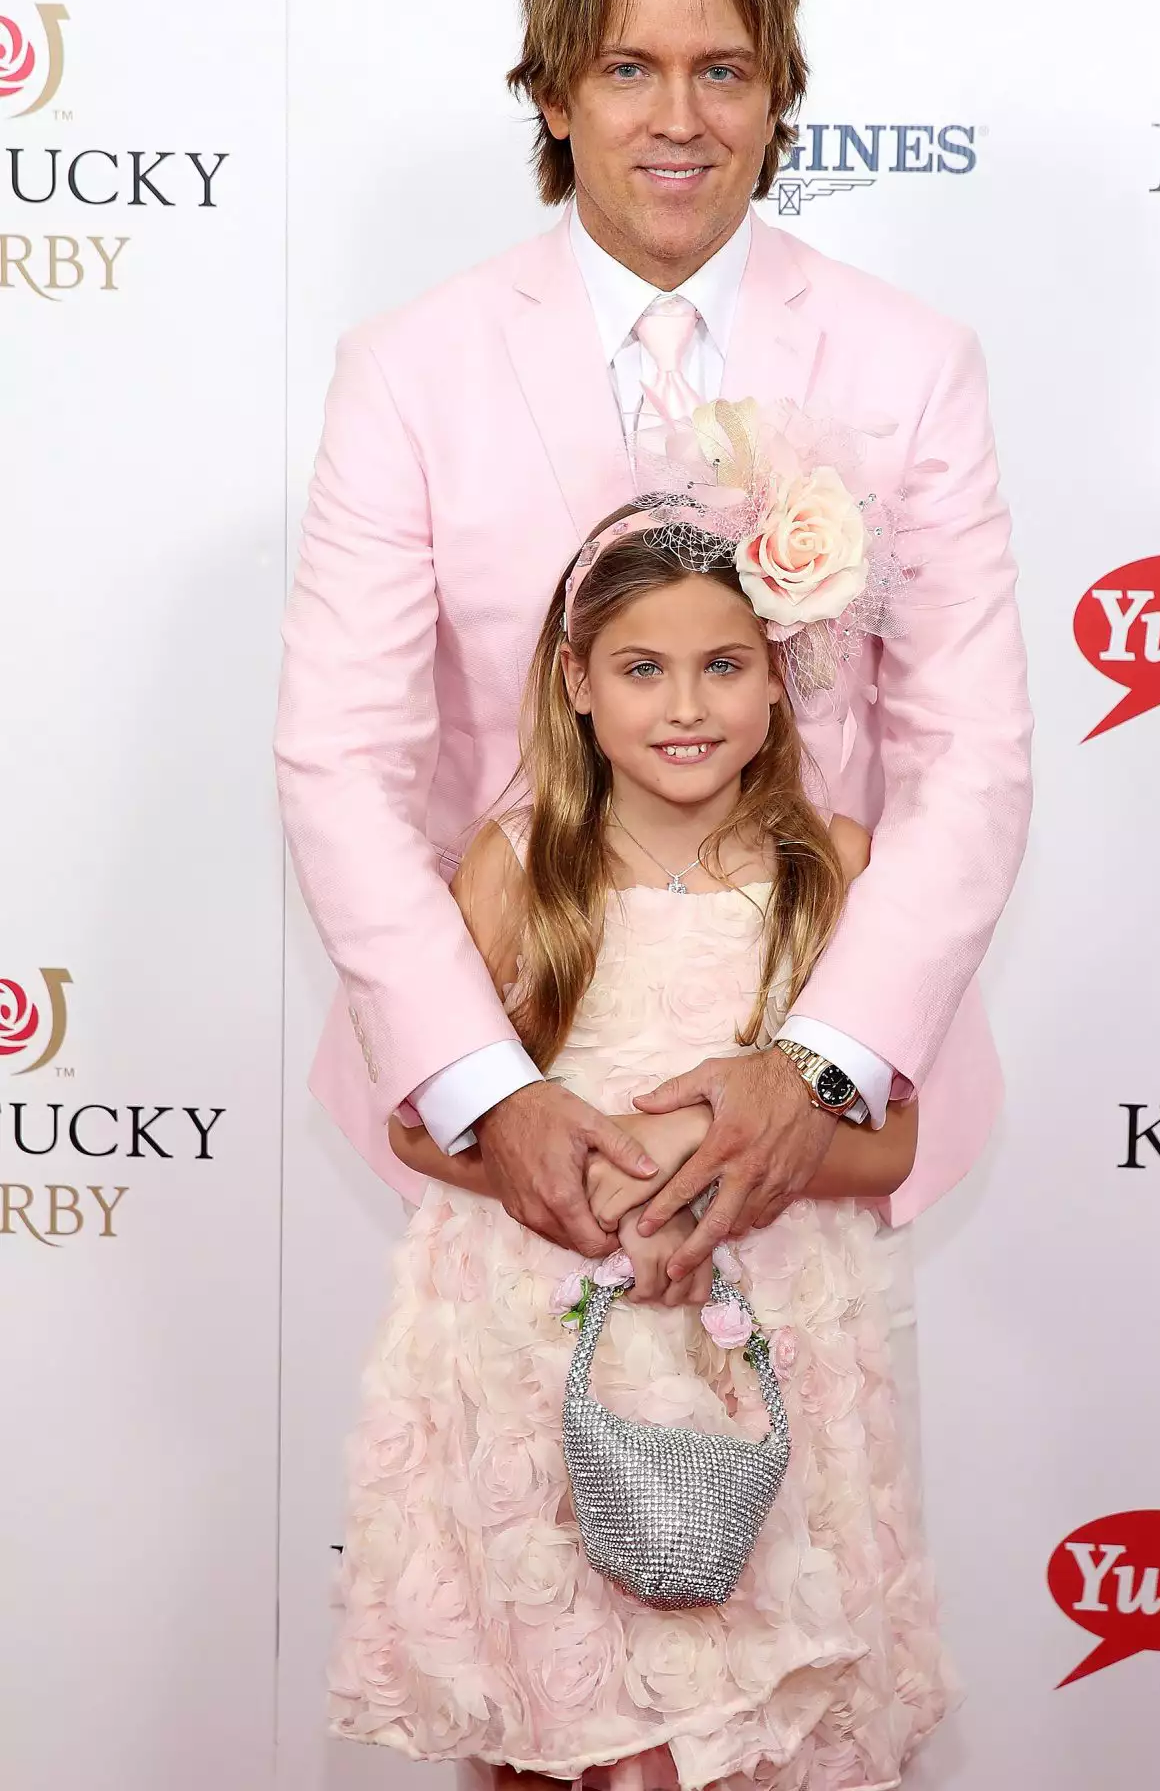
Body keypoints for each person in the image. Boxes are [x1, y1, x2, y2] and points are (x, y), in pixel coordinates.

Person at [274, 0, 1031, 1281]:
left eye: (724, 70)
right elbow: (339, 761)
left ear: (776, 93)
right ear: (556, 95)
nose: (679, 120)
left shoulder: (911, 365)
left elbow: (970, 758)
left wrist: (816, 1071)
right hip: (513, 1102)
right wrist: (487, 1089)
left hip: (815, 1127)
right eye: (629, 68)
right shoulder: (409, 370)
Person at [328, 492, 950, 1789]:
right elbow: (422, 1121)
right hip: (549, 1341)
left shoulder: (833, 867)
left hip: (761, 1343)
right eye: (642, 668)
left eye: (723, 666)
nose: (684, 706)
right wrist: (588, 1174)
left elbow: (889, 1148)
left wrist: (723, 1183)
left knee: (740, 1737)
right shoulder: (515, 866)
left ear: (779, 681)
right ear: (575, 682)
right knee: (561, 1734)